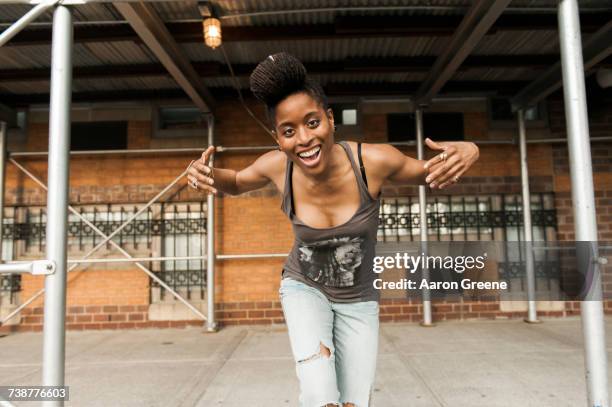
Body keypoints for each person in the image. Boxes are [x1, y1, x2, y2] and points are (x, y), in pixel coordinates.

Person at [186, 52, 479, 407]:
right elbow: (234, 180)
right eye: (288, 131)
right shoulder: (278, 168)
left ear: (330, 119)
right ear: (277, 138)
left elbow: (430, 171)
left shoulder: (372, 161)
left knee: (354, 402)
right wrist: (203, 173)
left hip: (359, 300)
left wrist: (471, 149)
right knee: (319, 393)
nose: (304, 139)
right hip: (304, 288)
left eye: (312, 123)